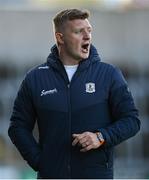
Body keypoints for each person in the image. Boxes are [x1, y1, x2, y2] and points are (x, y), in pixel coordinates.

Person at [8, 8, 141, 179]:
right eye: (79, 32)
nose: (87, 37)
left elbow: (132, 120)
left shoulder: (109, 75)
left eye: (89, 31)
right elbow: (17, 127)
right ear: (60, 37)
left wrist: (101, 137)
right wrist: (40, 162)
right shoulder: (35, 78)